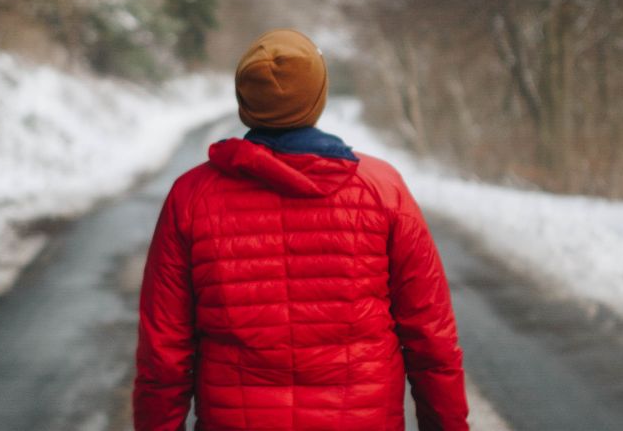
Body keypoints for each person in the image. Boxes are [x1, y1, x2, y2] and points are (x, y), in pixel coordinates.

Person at [134, 28, 470, 430]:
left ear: (245, 102)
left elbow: (163, 353)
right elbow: (431, 340)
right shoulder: (382, 190)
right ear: (318, 98)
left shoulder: (191, 197)